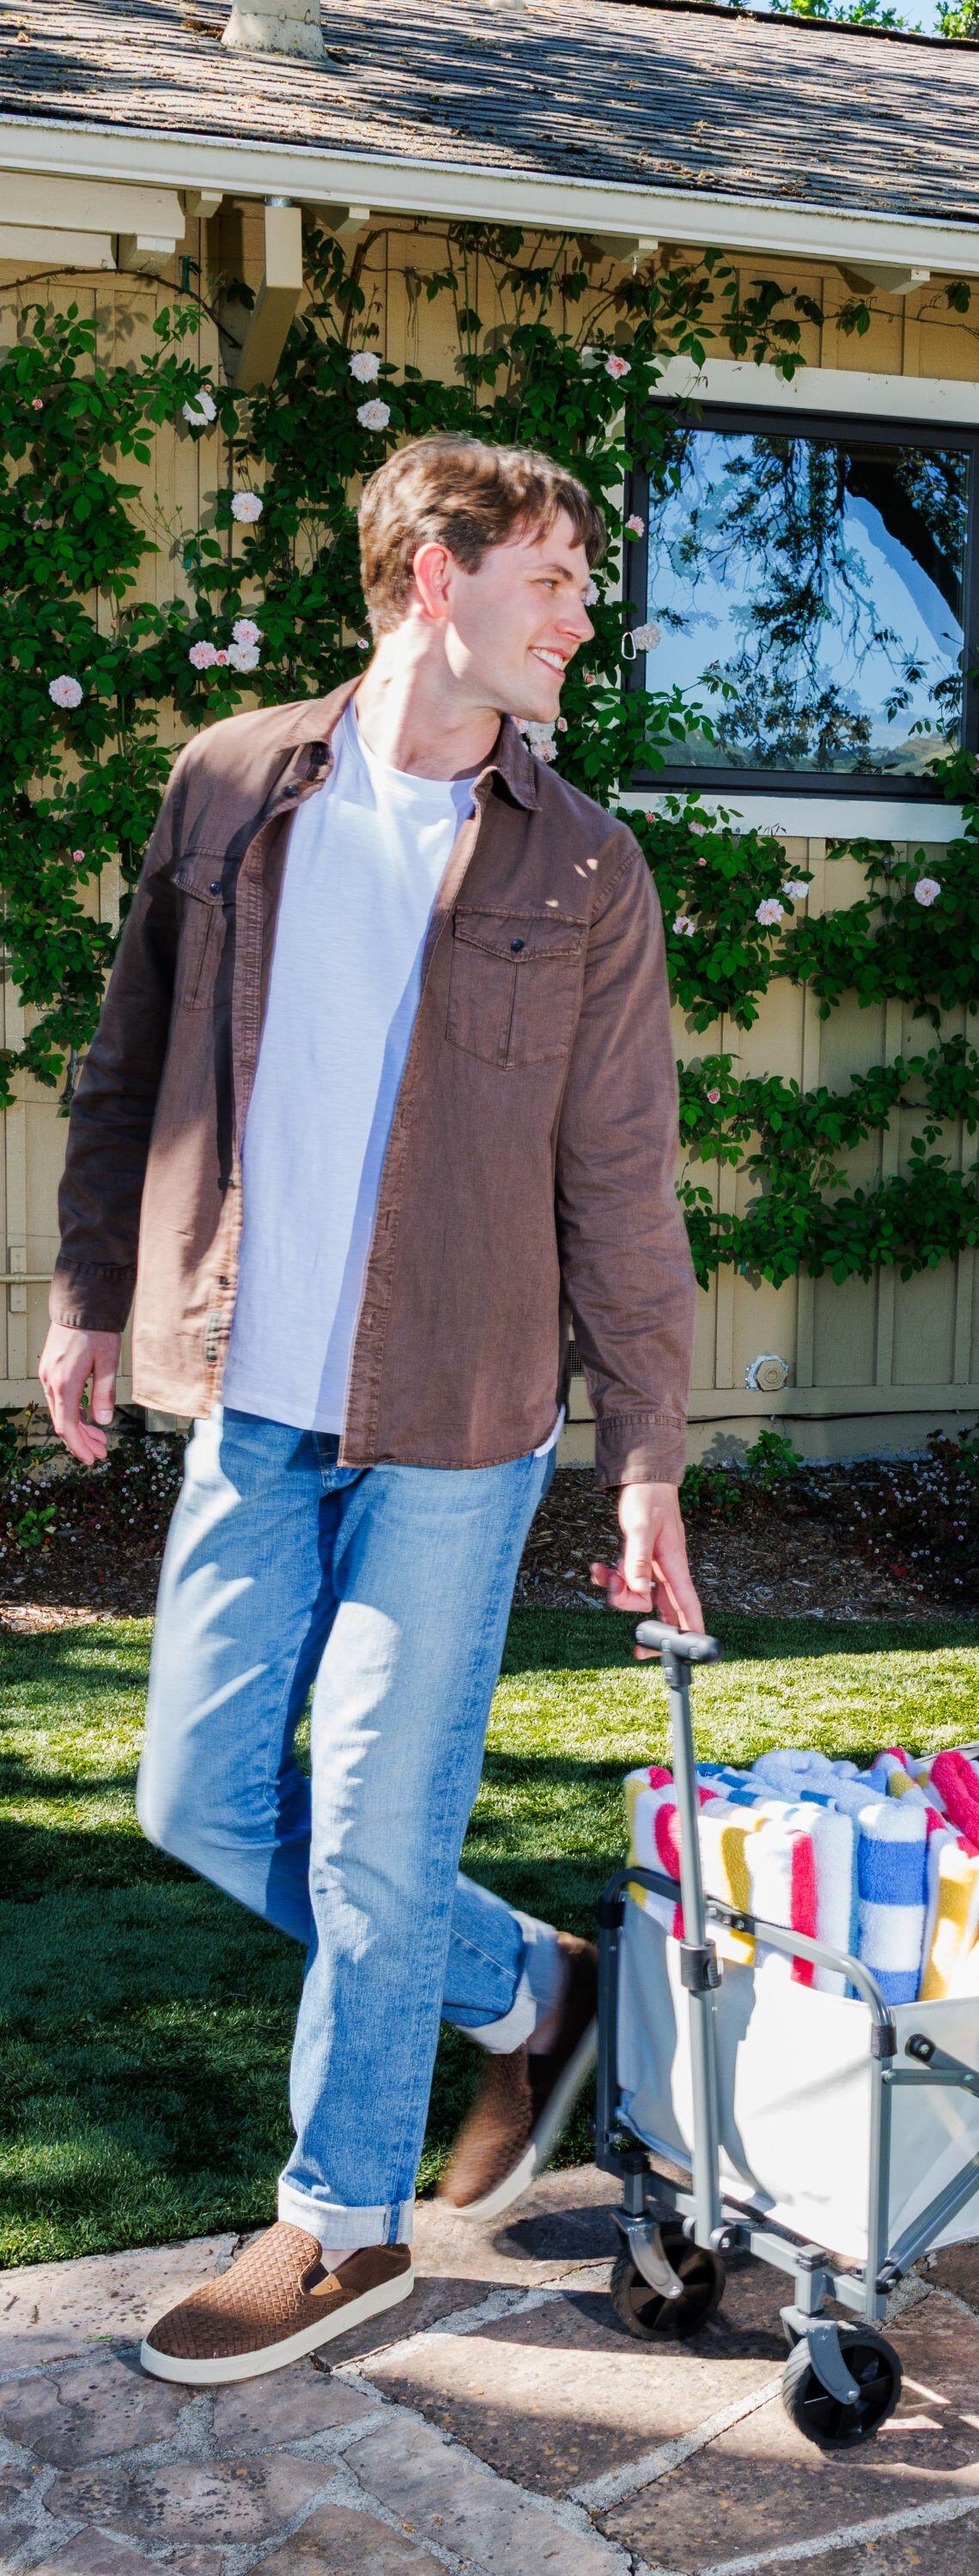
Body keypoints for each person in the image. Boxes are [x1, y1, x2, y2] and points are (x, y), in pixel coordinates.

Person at [38, 433, 702, 2382]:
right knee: (192, 1797)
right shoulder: (237, 788)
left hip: (462, 1416)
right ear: (439, 576)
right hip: (255, 1395)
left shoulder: (582, 861)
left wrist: (645, 1451)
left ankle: (338, 2228)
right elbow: (125, 1060)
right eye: (553, 580)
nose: (583, 616)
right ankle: (539, 1992)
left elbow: (623, 1183)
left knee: (370, 1837)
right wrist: (93, 1297)